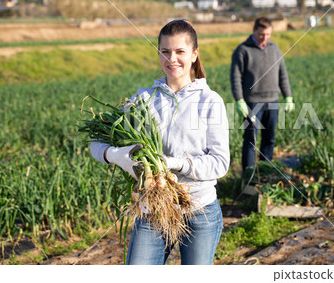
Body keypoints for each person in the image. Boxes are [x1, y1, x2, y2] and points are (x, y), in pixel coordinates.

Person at [89, 20, 230, 265]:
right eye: (165, 51)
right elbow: (95, 144)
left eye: (180, 51)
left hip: (200, 209)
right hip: (153, 208)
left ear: (195, 55)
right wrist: (116, 156)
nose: (171, 58)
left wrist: (172, 163)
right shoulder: (143, 99)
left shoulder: (210, 101)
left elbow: (220, 164)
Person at [230, 17, 294, 172]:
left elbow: (282, 74)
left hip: (273, 101)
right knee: (250, 141)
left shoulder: (274, 48)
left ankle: (265, 172)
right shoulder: (243, 50)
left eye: (268, 34)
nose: (265, 38)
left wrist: (288, 97)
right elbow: (235, 78)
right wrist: (239, 100)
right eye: (261, 35)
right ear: (254, 31)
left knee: (269, 139)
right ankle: (249, 177)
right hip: (252, 103)